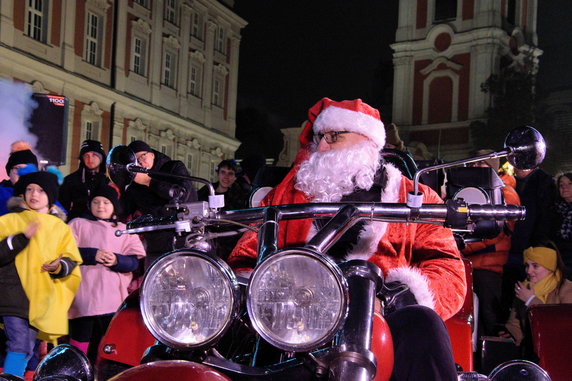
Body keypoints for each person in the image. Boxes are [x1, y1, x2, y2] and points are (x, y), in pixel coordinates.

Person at [228, 98, 466, 380]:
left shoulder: (414, 197)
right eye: (319, 138)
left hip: (381, 315)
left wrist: (391, 299)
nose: (322, 147)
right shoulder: (288, 193)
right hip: (295, 314)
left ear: (367, 142)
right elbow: (245, 257)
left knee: (423, 323)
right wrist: (271, 292)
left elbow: (447, 268)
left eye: (334, 137)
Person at [0, 171, 82, 377]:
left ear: (51, 195)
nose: (34, 194)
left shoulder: (60, 228)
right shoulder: (10, 221)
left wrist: (58, 266)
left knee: (28, 348)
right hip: (13, 295)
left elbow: (71, 261)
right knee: (19, 344)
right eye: (29, 189)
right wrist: (21, 237)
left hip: (41, 298)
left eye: (41, 190)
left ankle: (14, 377)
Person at [68, 184, 146, 362]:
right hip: (84, 297)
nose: (100, 206)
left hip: (112, 299)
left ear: (114, 206)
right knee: (80, 340)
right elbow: (67, 252)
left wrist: (117, 260)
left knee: (110, 342)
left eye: (105, 202)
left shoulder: (123, 230)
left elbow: (134, 262)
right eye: (96, 202)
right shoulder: (78, 224)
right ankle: (76, 370)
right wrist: (92, 254)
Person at [462, 151, 521, 335]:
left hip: (490, 267)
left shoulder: (506, 193)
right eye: (474, 164)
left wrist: (464, 247)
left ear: (492, 167)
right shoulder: (471, 190)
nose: (476, 168)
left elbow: (496, 231)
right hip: (471, 263)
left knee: (490, 316)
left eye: (481, 164)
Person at [121, 140, 197, 268]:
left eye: (143, 156)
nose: (141, 162)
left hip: (185, 240)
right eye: (136, 160)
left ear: (152, 154)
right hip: (156, 245)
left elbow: (183, 195)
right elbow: (123, 210)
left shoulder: (174, 168)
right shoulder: (135, 183)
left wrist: (149, 182)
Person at [499, 242, 572, 359]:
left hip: (560, 354)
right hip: (531, 353)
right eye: (527, 265)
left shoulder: (567, 290)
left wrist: (531, 301)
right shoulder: (525, 288)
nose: (528, 271)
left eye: (535, 266)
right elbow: (514, 324)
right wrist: (511, 335)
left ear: (550, 266)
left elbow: (560, 329)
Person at [504, 165, 556, 317]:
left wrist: (536, 246)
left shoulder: (544, 182)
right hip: (516, 246)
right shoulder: (514, 182)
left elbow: (544, 218)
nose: (515, 166)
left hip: (532, 248)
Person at [59, 140, 111, 220]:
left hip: (101, 226)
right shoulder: (70, 180)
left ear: (101, 157)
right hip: (76, 226)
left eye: (94, 155)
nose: (90, 159)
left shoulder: (108, 181)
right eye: (86, 156)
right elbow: (61, 208)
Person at [0, 149, 39, 216]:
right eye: (18, 168)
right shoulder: (1, 193)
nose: (23, 173)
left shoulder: (44, 194)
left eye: (28, 169)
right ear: (9, 171)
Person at [550, 173, 572, 279]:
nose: (565, 187)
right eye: (561, 185)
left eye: (570, 184)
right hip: (559, 261)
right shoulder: (555, 209)